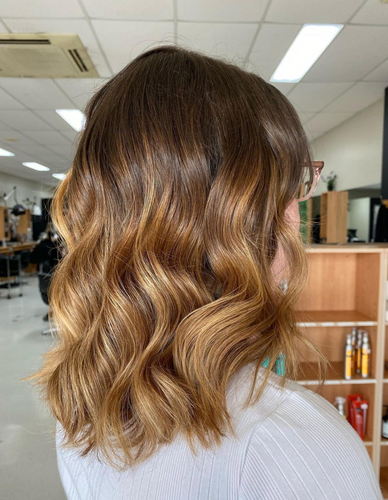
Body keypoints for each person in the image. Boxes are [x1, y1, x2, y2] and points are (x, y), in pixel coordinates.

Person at [25, 45, 383, 499]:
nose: (297, 214)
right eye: (291, 184)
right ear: (236, 219)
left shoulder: (79, 399)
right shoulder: (300, 446)